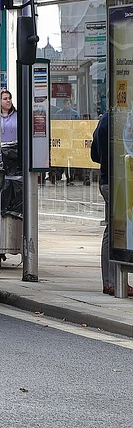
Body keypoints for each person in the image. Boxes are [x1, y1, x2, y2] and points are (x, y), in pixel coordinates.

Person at [92, 111, 117, 295]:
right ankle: (113, 281)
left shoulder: (103, 120)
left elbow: (94, 155)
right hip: (116, 180)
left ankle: (111, 281)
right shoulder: (117, 119)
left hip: (106, 180)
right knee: (115, 230)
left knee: (112, 228)